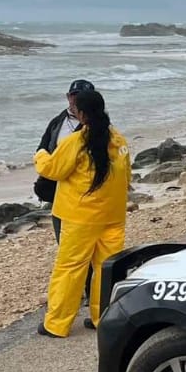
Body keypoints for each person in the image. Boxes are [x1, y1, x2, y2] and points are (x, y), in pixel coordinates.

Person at [33, 88, 130, 338]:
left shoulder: (76, 142)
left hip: (80, 217)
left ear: (82, 114)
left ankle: (56, 324)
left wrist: (41, 154)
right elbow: (126, 176)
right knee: (107, 268)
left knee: (70, 268)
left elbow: (52, 169)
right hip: (113, 215)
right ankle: (103, 318)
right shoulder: (119, 140)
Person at [35, 78, 96, 311]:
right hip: (59, 194)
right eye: (74, 95)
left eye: (81, 96)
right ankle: (77, 292)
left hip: (84, 197)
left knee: (84, 250)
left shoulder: (97, 129)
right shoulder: (58, 121)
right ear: (68, 97)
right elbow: (42, 147)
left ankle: (91, 294)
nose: (76, 100)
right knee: (66, 248)